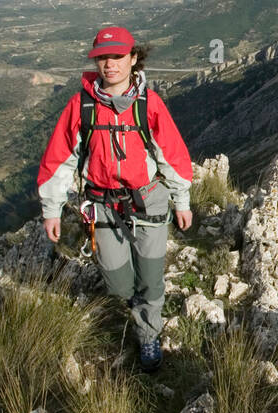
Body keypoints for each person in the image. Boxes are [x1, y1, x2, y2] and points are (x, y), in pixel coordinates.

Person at [37, 26, 193, 372]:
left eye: (119, 57)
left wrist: (181, 199)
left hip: (148, 201)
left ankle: (148, 333)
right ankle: (134, 304)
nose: (110, 64)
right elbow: (59, 158)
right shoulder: (82, 106)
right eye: (104, 57)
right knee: (118, 282)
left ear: (133, 59)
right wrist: (52, 210)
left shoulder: (148, 104)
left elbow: (172, 154)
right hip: (104, 205)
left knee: (151, 277)